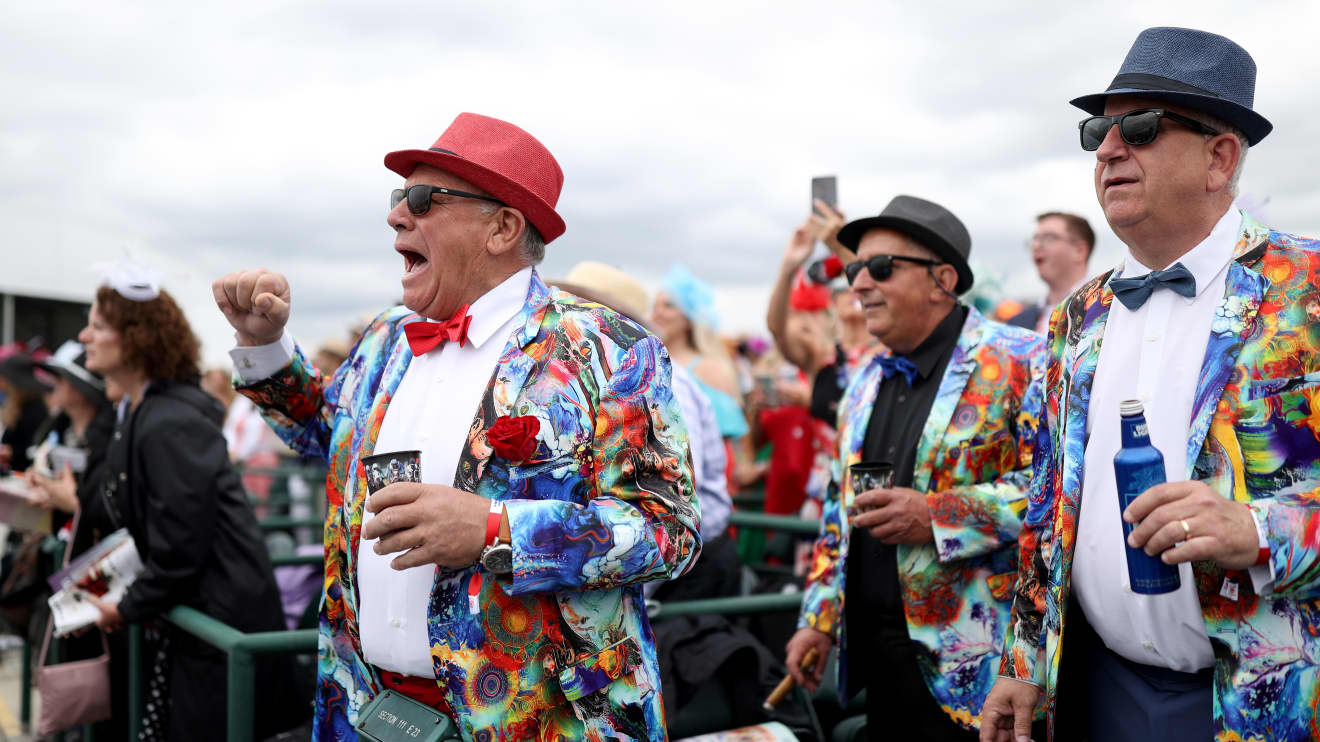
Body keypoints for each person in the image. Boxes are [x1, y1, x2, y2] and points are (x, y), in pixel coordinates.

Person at [214, 113, 700, 740]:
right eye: (398, 198)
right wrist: (266, 346)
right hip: (367, 707)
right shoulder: (387, 337)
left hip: (539, 720)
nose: (396, 216)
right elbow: (322, 434)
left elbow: (670, 531)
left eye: (421, 199)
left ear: (503, 226)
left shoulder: (607, 346)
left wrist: (492, 529)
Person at [981, 27, 1320, 742]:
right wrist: (1023, 659)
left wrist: (1261, 530)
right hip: (1097, 690)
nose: (1107, 149)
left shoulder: (1311, 292)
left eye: (1138, 126)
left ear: (1218, 157)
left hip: (1271, 701)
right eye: (1098, 129)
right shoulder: (1080, 313)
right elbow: (1050, 500)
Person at [784, 195, 1046, 741]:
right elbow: (839, 512)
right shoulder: (863, 382)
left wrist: (938, 514)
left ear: (942, 280)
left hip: (982, 671)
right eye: (854, 268)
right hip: (880, 662)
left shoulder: (1025, 359)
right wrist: (818, 620)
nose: (858, 284)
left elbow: (1061, 497)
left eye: (880, 268)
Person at [80, 274, 297, 741]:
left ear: (137, 336)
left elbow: (180, 545)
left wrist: (125, 605)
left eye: (97, 326)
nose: (85, 337)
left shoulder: (168, 421)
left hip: (218, 633)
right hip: (197, 631)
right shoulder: (145, 413)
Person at [1006, 212, 1096, 334]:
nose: (1036, 245)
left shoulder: (1107, 310)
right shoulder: (1016, 325)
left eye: (1048, 238)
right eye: (1035, 239)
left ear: (1079, 251)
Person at [0, 354, 50, 473]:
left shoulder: (35, 409)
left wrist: (13, 452)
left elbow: (36, 448)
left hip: (27, 473)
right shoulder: (15, 404)